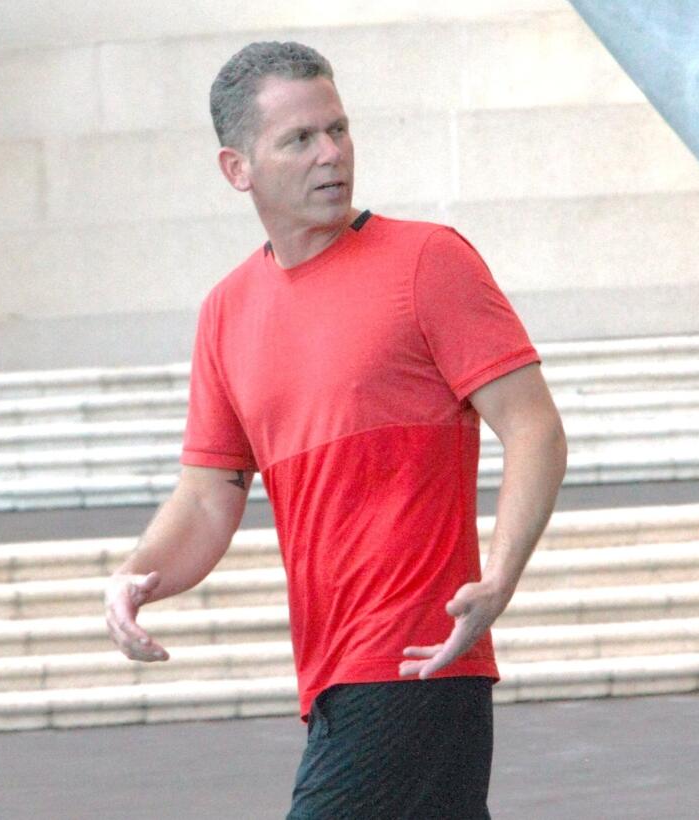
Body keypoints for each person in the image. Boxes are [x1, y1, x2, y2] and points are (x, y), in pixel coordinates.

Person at [104, 40, 567, 818]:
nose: (332, 154)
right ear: (236, 168)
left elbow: (534, 429)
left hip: (416, 654)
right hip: (330, 674)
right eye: (299, 139)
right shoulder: (227, 312)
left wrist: (499, 578)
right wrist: (138, 573)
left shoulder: (428, 262)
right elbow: (210, 493)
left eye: (339, 129)